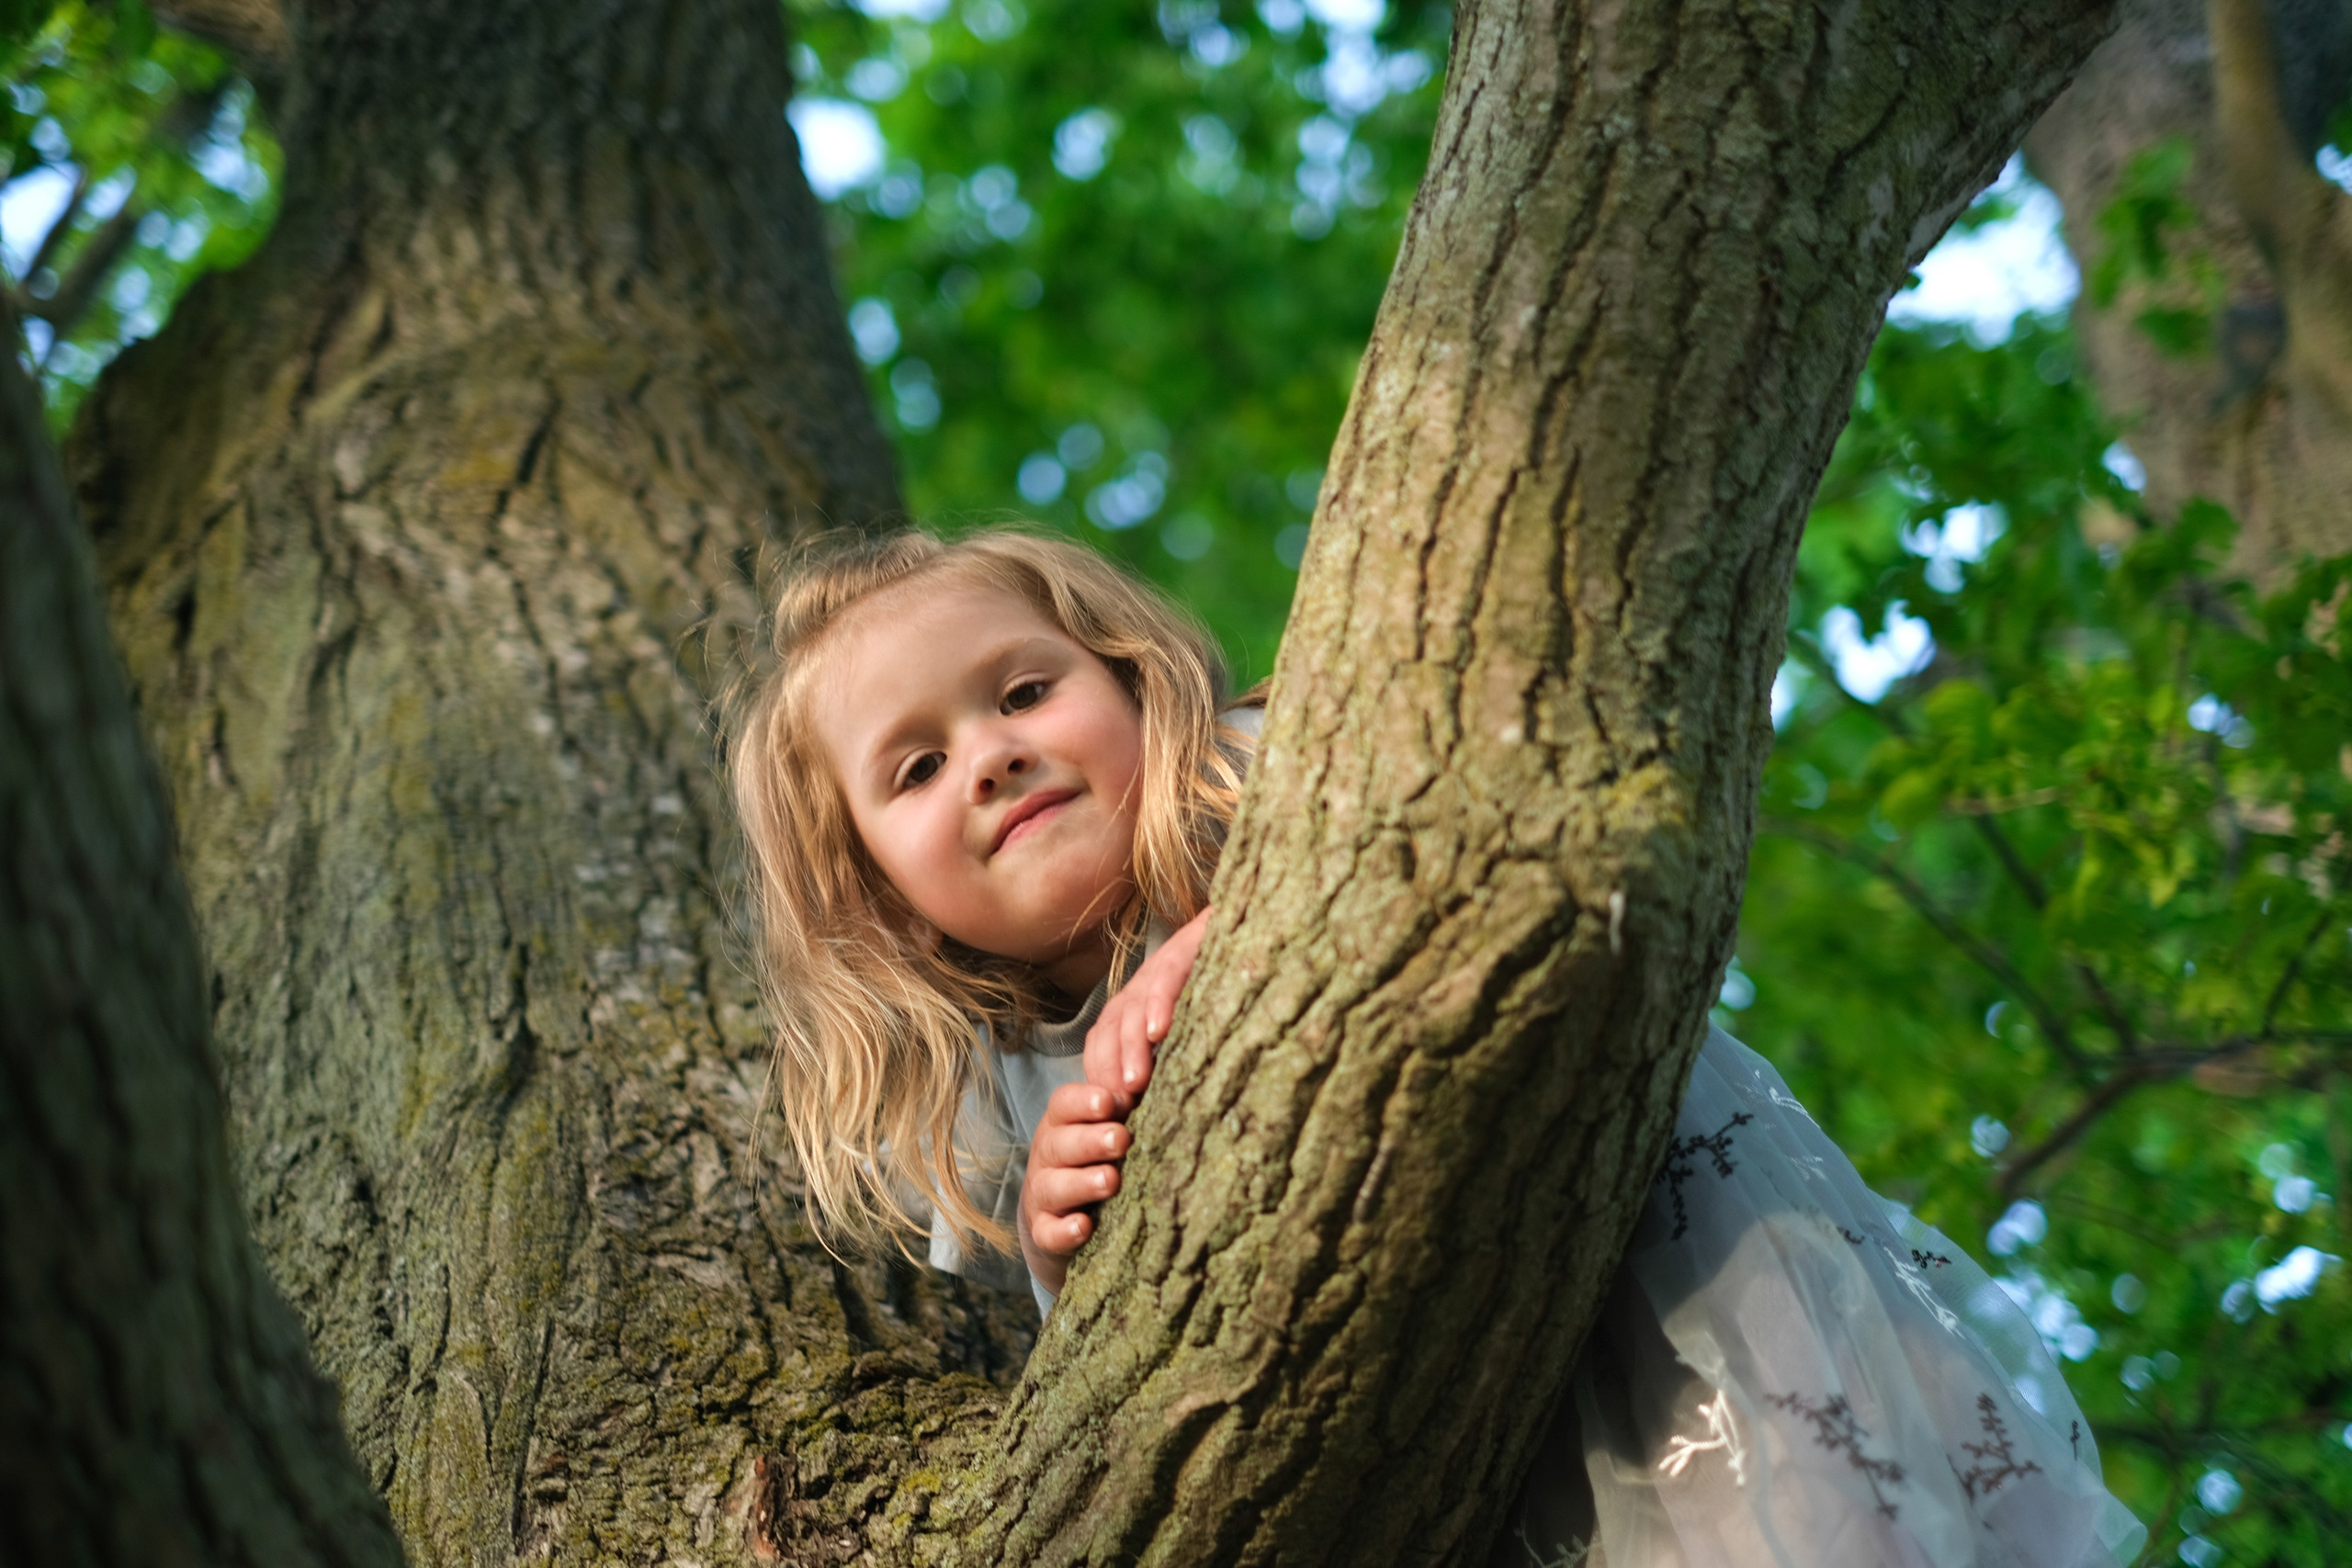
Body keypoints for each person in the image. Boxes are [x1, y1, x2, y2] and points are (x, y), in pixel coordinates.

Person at [728, 526, 2146, 1568]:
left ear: (1128, 675)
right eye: (915, 769)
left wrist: (1221, 945)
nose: (988, 754)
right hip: (1465, 1452)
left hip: (1692, 1291)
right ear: (877, 894)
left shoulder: (1277, 774)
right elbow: (1128, 1365)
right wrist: (1056, 1240)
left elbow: (1446, 853)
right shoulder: (1013, 1090)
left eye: (1023, 692)